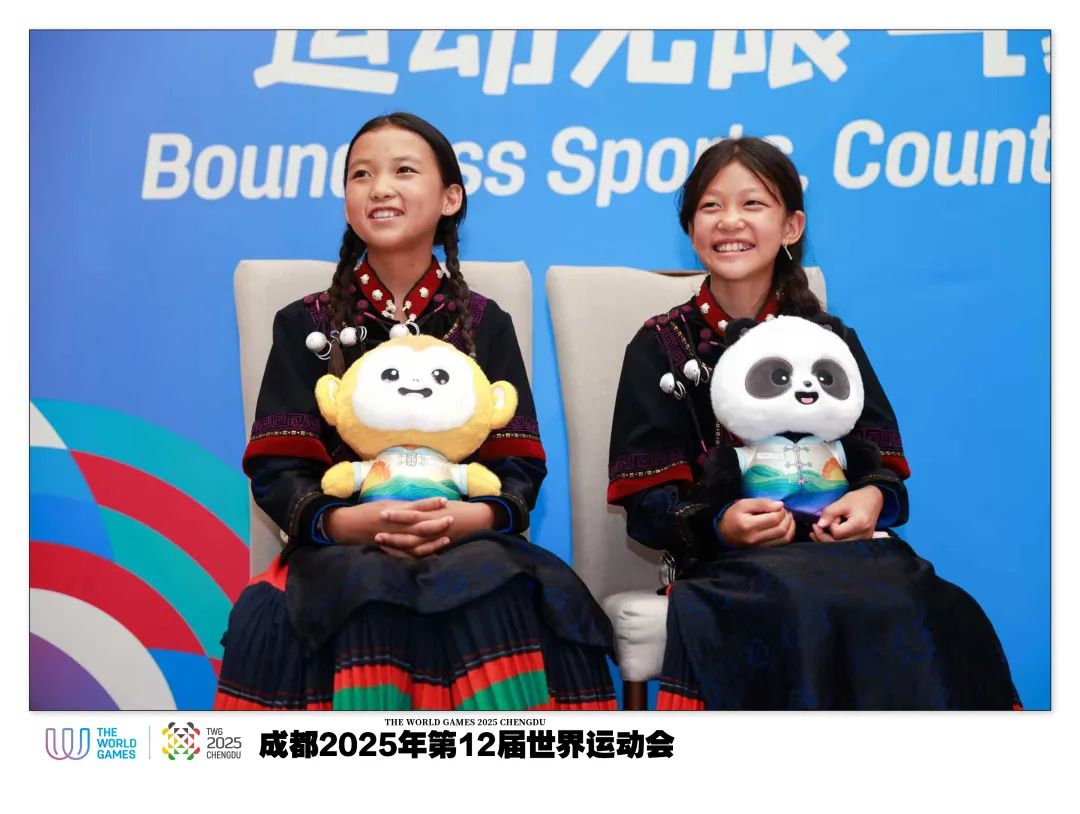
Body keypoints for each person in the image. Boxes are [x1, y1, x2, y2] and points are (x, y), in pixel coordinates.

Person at [215, 112, 615, 711]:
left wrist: (474, 516)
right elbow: (279, 469)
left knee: (496, 586)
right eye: (361, 175)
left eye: (403, 171)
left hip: (468, 535)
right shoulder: (305, 323)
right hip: (341, 544)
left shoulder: (485, 323)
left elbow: (518, 466)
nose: (380, 188)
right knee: (362, 587)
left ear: (450, 198)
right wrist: (343, 522)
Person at [607, 136, 1020, 710]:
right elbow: (646, 504)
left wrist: (870, 501)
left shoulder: (831, 341)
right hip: (727, 566)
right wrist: (722, 523)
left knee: (936, 602)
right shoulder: (660, 345)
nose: (730, 221)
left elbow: (882, 468)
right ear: (691, 228)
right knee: (798, 604)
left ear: (791, 226)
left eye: (753, 203)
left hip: (846, 554)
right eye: (711, 206)